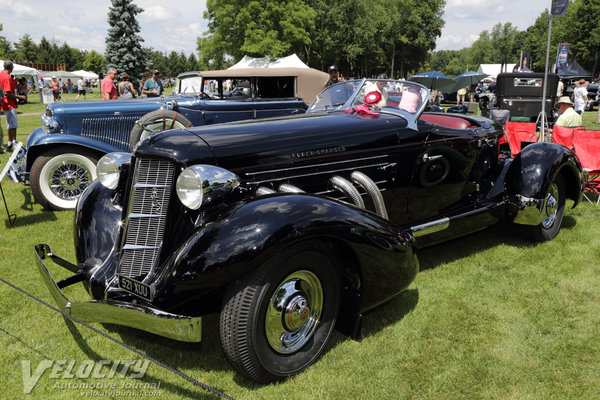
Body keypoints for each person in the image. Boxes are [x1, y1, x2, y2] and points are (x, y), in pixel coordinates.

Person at [0, 60, 26, 152]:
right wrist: (20, 96)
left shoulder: (0, 75)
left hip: (5, 103)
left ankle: (11, 143)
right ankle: (12, 144)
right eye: (13, 67)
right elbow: (7, 93)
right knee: (13, 125)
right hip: (9, 103)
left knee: (10, 124)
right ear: (10, 67)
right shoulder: (7, 77)